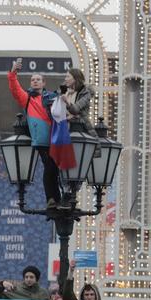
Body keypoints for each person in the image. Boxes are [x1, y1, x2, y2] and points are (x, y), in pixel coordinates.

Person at [8, 57, 60, 208]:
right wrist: (13, 73)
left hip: (56, 139)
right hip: (43, 141)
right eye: (32, 80)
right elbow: (15, 89)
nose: (35, 81)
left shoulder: (52, 97)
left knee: (53, 169)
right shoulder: (28, 99)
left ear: (44, 83)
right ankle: (52, 199)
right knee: (50, 168)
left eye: (38, 80)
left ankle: (55, 199)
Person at [60, 68, 98, 140]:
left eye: (68, 76)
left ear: (75, 78)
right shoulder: (65, 92)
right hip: (64, 127)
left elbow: (75, 109)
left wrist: (67, 103)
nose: (65, 79)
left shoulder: (85, 92)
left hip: (81, 128)